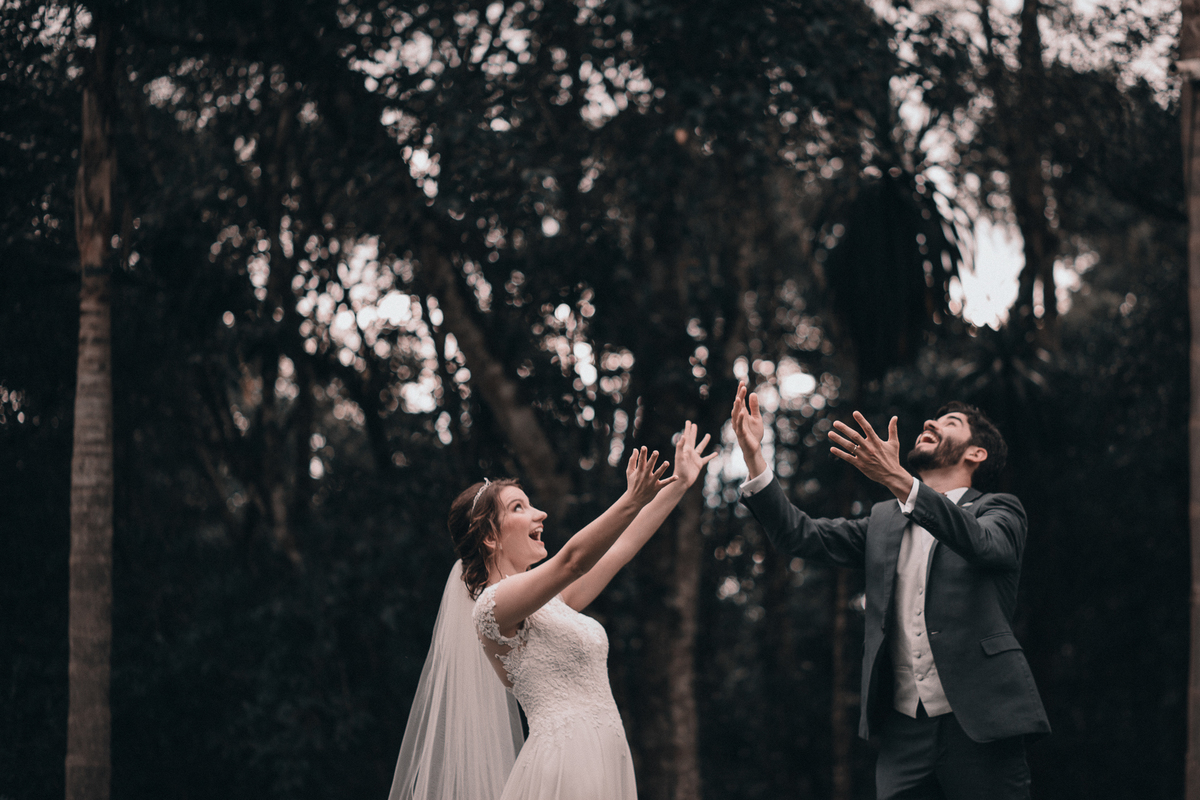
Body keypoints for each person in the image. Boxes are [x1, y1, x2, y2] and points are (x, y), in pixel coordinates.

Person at [731, 382, 1049, 800]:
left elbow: (986, 545)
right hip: (904, 733)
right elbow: (799, 536)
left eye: (950, 421)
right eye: (932, 419)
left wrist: (900, 481)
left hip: (981, 725)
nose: (930, 422)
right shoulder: (883, 521)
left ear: (977, 453)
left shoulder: (1000, 509)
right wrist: (755, 458)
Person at [389, 422, 714, 800]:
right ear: (490, 537)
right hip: (565, 764)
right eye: (519, 508)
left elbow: (622, 546)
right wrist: (630, 499)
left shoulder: (555, 603)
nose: (539, 514)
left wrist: (680, 483)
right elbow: (572, 561)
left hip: (606, 757)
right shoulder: (491, 609)